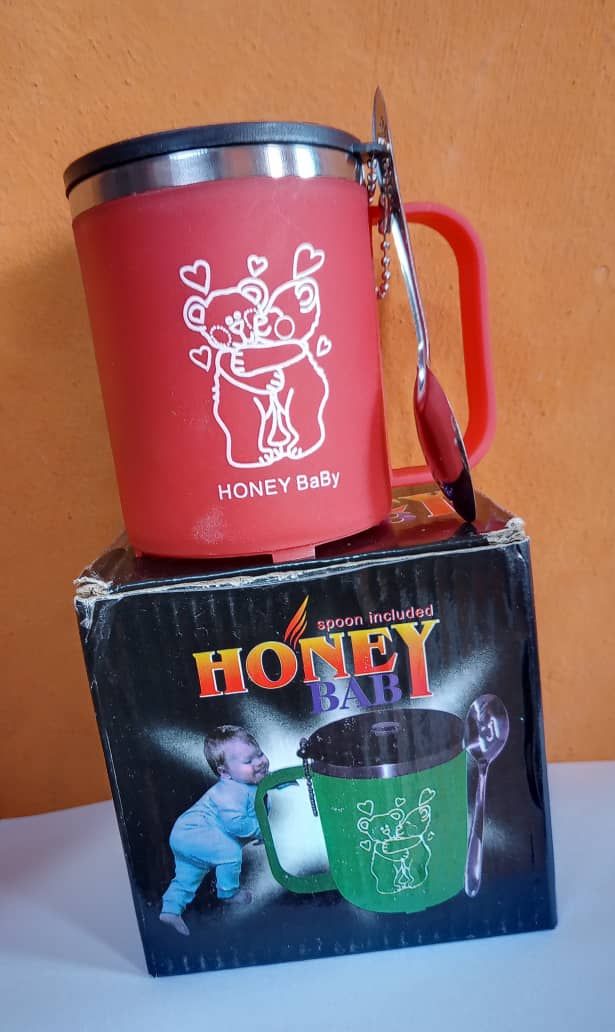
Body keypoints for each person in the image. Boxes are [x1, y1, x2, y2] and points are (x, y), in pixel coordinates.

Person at [159, 725, 269, 936]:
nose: (259, 762)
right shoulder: (231, 791)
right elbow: (235, 823)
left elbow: (258, 810)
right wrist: (260, 831)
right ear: (224, 772)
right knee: (229, 852)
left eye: (260, 754)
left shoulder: (249, 784)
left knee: (187, 875)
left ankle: (170, 911)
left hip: (184, 836)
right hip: (194, 832)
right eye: (248, 761)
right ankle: (228, 893)